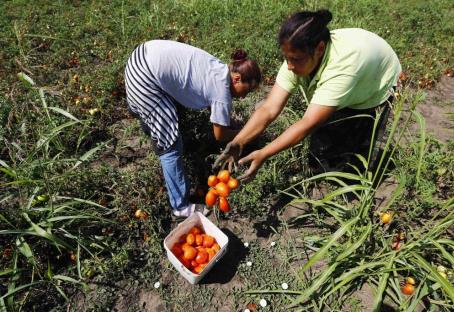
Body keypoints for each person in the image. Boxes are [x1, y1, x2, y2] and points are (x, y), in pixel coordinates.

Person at [215, 10, 401, 181]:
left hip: (375, 81)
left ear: (319, 49)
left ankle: (355, 180)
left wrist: (263, 153)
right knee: (325, 142)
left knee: (356, 149)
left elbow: (308, 122)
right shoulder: (297, 54)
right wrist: (238, 142)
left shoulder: (343, 68)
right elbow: (269, 108)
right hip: (354, 65)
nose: (289, 66)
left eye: (295, 59)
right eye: (286, 57)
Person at [124, 40, 261, 217]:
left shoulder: (220, 68)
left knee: (166, 115)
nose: (243, 97)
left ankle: (146, 114)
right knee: (171, 145)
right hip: (144, 78)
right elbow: (220, 135)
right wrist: (246, 133)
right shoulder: (222, 92)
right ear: (236, 79)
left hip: (140, 57)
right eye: (247, 91)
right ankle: (180, 207)